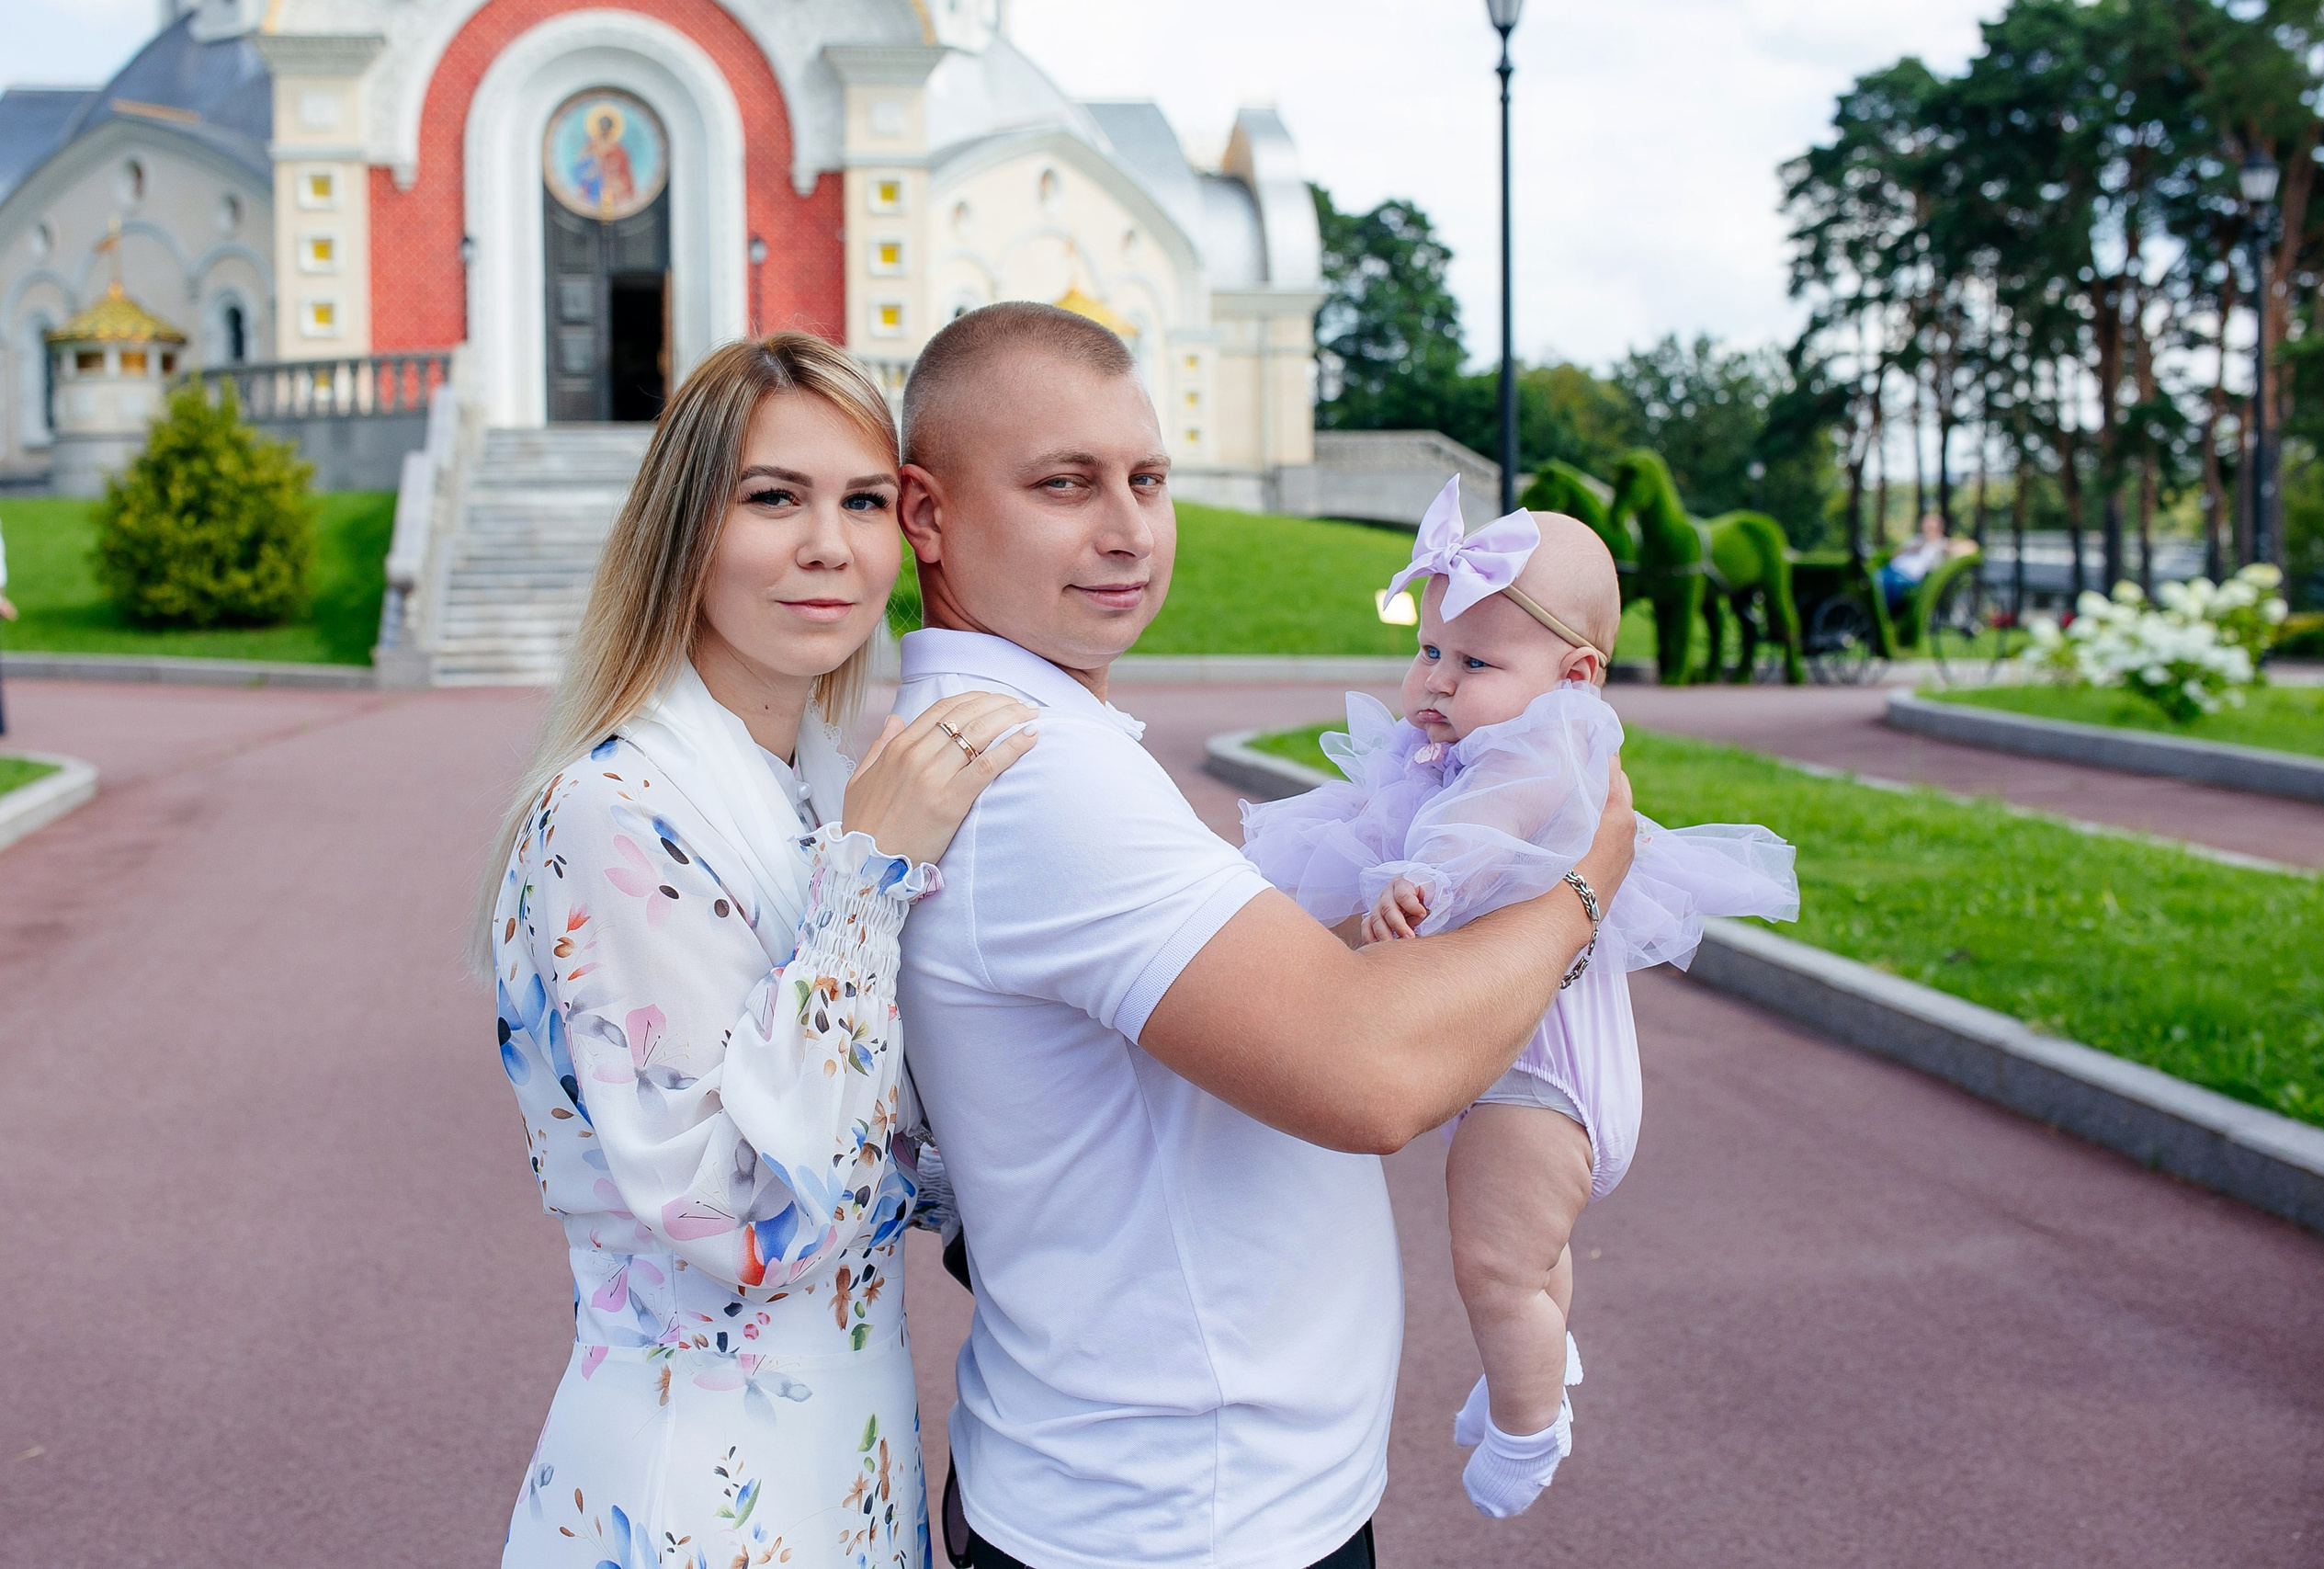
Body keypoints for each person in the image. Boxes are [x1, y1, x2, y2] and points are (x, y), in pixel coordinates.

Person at [886, 301, 1640, 1569]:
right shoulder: (1031, 776)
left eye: (1148, 477)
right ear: (928, 514)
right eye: (1063, 483)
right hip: (1181, 1516)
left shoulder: (1023, 740)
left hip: (1167, 1487)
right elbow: (1372, 1073)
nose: (1127, 527)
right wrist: (1588, 876)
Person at [478, 332, 1038, 1567]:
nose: (829, 545)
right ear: (686, 529)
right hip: (695, 1489)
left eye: (863, 500)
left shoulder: (811, 789)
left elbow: (895, 1142)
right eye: (773, 497)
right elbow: (736, 1218)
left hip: (841, 1455)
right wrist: (867, 885)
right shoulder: (617, 813)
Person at [1241, 477, 1799, 1518]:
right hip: (1532, 1056)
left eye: (1476, 661)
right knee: (1530, 1261)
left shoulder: (1551, 742)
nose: (1437, 682)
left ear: (1575, 675)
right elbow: (1363, 831)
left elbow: (1485, 827)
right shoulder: (1453, 750)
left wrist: (1424, 882)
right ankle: (1545, 1362)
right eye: (1431, 652)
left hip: (1539, 1074)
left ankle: (1525, 1429)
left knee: (1492, 1266)